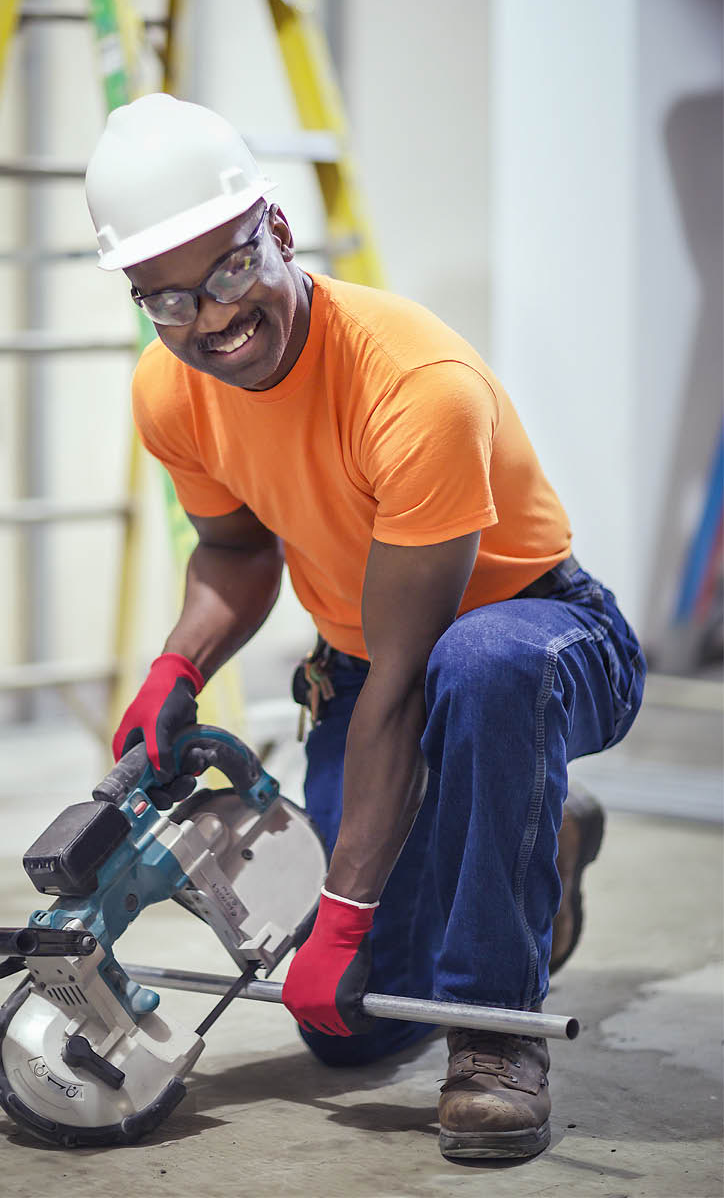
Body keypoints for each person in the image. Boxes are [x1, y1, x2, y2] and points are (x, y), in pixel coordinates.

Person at [84, 93, 646, 1161]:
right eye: (167, 300)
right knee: (348, 1026)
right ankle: (542, 835)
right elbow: (242, 554)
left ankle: (493, 1040)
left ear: (278, 233)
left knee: (477, 676)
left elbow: (408, 683)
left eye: (231, 273)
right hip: (361, 662)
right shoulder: (171, 391)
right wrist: (177, 667)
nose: (210, 319)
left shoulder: (414, 387)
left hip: (542, 640)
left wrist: (341, 911)